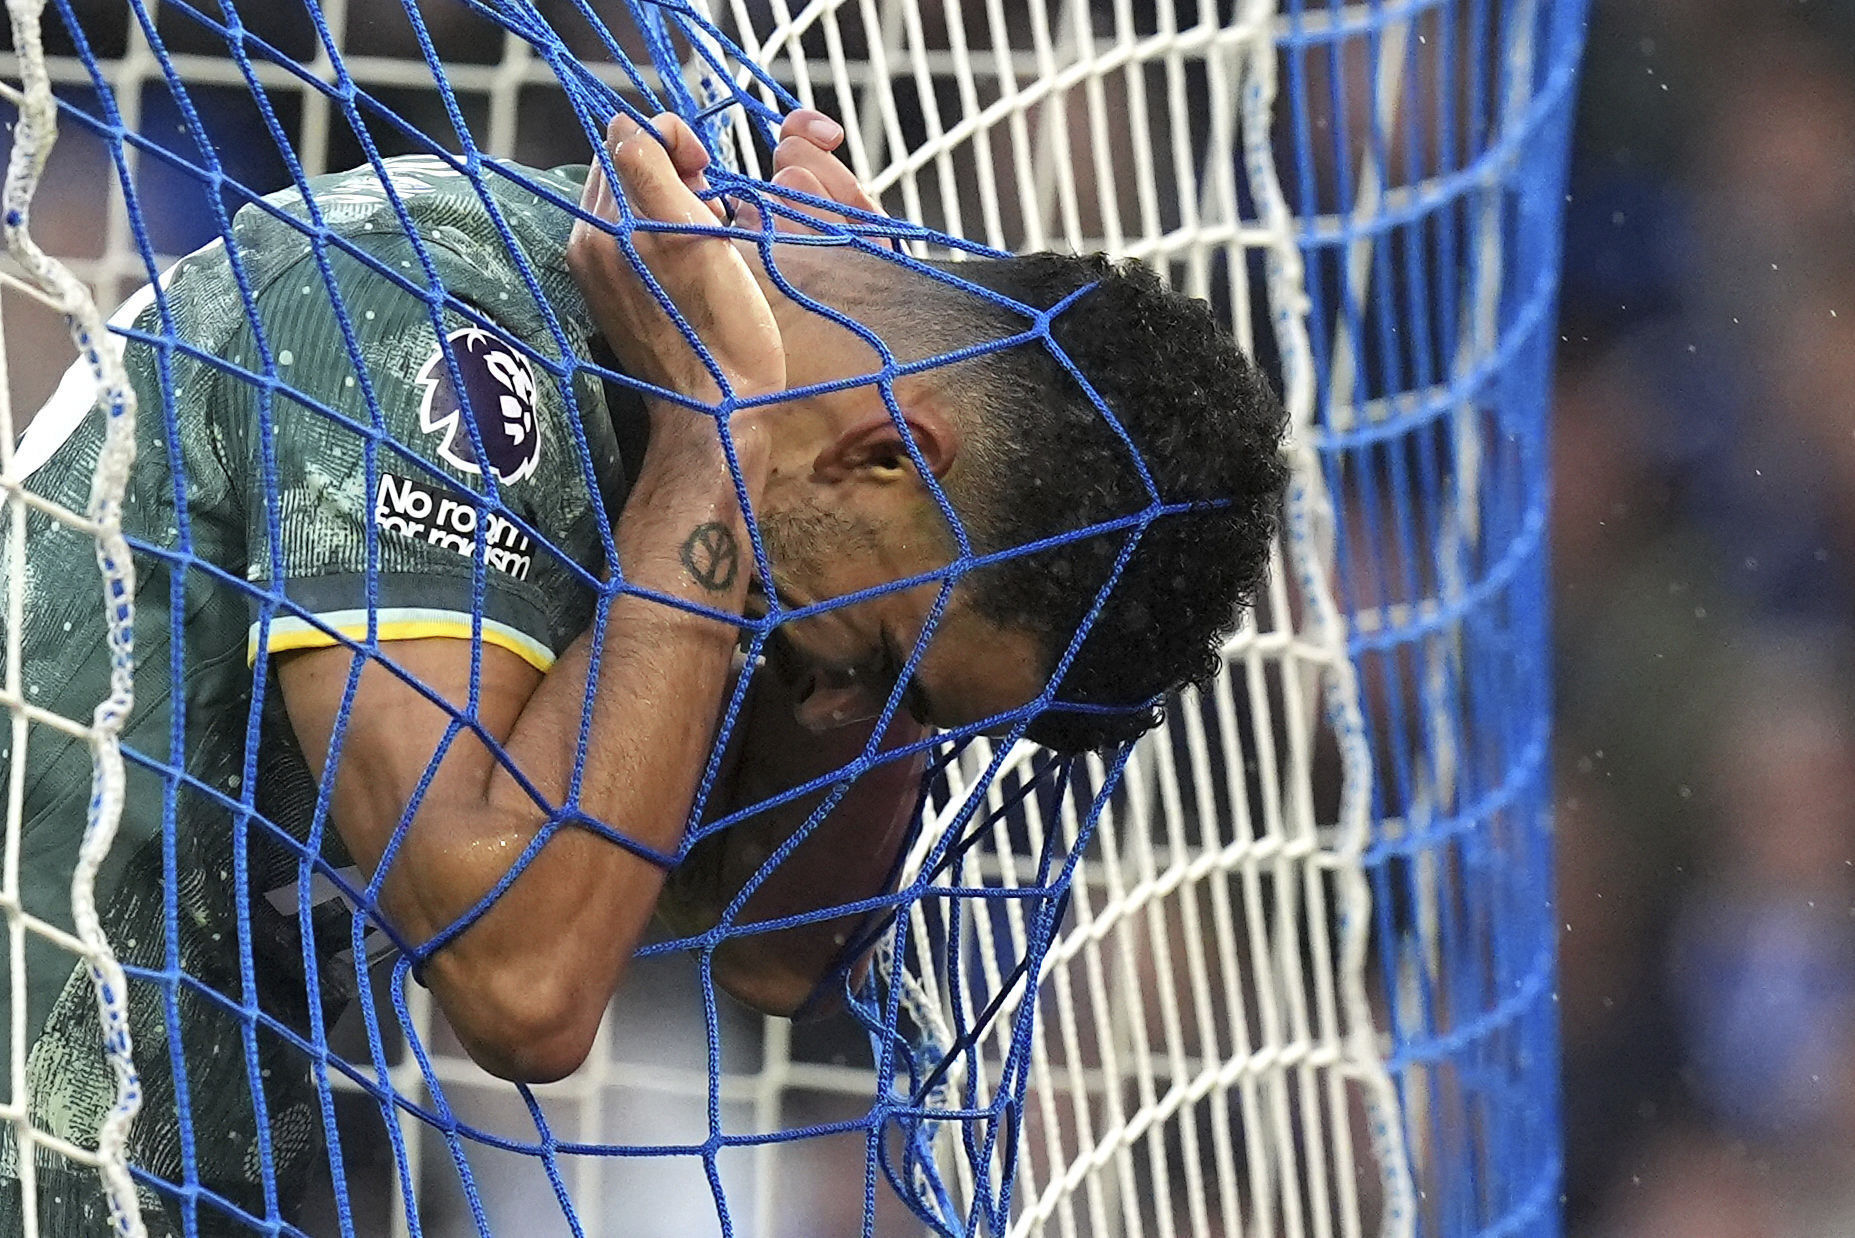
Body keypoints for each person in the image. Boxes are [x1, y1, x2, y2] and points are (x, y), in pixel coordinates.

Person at [0, 108, 1286, 1233]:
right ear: (885, 454)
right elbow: (520, 982)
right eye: (885, 670)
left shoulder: (763, 470)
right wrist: (716, 436)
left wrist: (774, 393)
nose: (838, 713)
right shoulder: (436, 307)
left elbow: (776, 936)